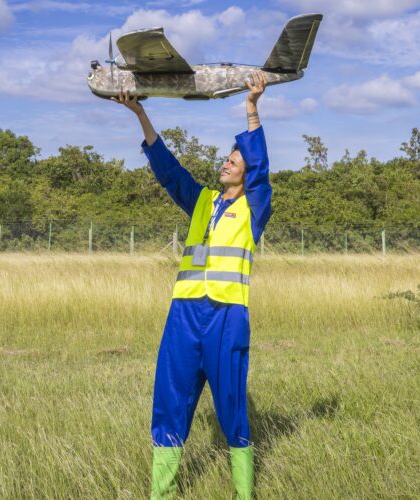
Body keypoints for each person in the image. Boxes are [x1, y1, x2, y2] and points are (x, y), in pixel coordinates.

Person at [112, 70, 272, 499]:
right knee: (169, 404)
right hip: (183, 316)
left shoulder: (254, 207)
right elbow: (168, 170)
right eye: (228, 156)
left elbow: (261, 171)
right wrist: (139, 113)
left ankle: (244, 494)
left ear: (247, 171)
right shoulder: (202, 201)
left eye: (235, 159)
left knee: (233, 410)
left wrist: (252, 109)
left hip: (226, 318)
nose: (226, 161)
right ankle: (161, 494)